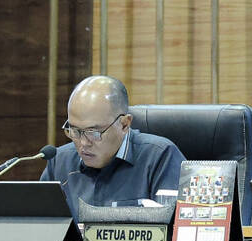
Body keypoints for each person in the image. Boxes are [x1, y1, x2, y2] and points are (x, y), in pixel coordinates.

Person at [41, 75, 185, 222]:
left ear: (124, 124)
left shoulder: (160, 157)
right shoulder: (59, 161)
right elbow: (42, 224)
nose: (83, 143)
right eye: (75, 130)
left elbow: (177, 227)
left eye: (93, 132)